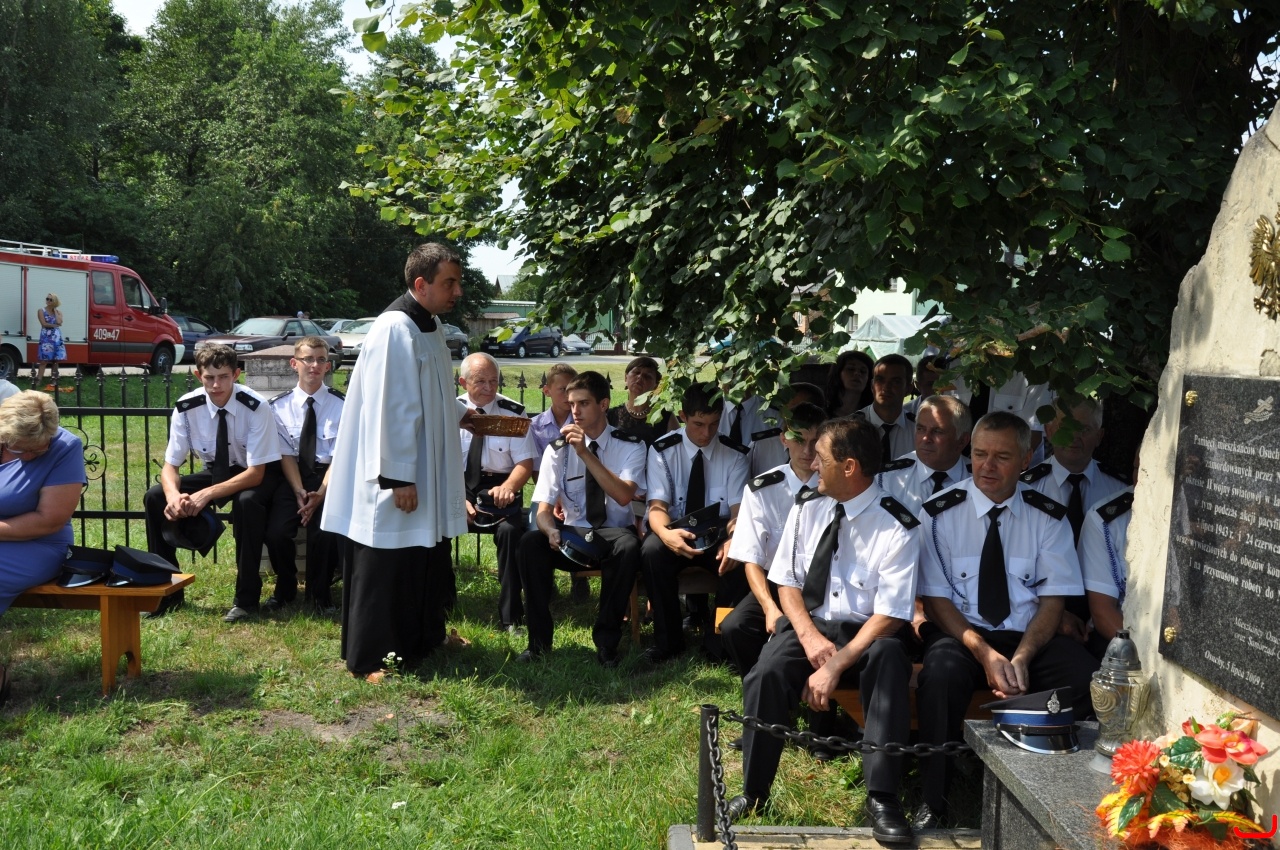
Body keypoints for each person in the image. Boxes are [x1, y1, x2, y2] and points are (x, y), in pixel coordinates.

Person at [728, 418, 920, 844]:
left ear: (849, 467)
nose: (812, 463)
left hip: (867, 634)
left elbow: (890, 616)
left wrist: (834, 665)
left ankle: (883, 798)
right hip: (811, 626)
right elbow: (787, 583)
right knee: (766, 672)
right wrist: (811, 639)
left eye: (822, 457)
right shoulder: (808, 506)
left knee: (889, 659)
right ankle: (754, 792)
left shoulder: (897, 525)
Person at [914, 411, 1099, 829]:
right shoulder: (938, 514)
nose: (987, 466)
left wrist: (1021, 658)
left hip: (1030, 636)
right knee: (940, 676)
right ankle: (934, 801)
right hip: (964, 635)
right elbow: (937, 601)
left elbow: (1052, 602)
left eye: (1001, 457)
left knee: (1086, 678)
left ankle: (1067, 796)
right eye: (980, 454)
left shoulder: (1048, 517)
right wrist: (984, 654)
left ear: (1026, 459)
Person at [321, 242, 471, 681]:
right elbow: (391, 407)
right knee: (384, 562)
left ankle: (423, 638)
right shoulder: (394, 329)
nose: (457, 292)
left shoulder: (430, 324)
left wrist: (462, 415)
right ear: (421, 284)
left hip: (422, 467)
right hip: (395, 473)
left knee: (422, 557)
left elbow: (431, 390)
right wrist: (398, 477)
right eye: (450, 283)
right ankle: (369, 658)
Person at [517, 370, 646, 666]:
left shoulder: (630, 446)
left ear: (603, 404)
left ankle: (607, 642)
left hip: (613, 534)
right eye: (572, 403)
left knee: (628, 547)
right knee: (529, 543)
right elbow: (543, 508)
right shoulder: (557, 450)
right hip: (573, 535)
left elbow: (623, 495)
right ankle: (538, 643)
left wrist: (586, 453)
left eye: (583, 403)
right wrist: (549, 530)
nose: (575, 411)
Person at [143, 344, 282, 620]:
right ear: (198, 375)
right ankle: (167, 592)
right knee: (155, 497)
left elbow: (256, 473)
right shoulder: (186, 407)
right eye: (209, 378)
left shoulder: (255, 406)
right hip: (218, 470)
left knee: (247, 503)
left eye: (224, 377)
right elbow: (171, 466)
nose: (216, 385)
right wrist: (173, 497)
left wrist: (205, 495)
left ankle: (246, 600)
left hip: (255, 472)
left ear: (236, 375)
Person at [641, 382, 750, 663]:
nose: (706, 433)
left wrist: (734, 540)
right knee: (652, 551)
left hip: (718, 532)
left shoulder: (735, 453)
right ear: (683, 416)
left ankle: (719, 642)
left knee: (740, 558)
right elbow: (657, 507)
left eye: (714, 424)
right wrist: (666, 535)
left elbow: (738, 511)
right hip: (676, 528)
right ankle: (667, 642)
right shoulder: (663, 450)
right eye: (698, 424)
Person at [720, 401, 825, 678]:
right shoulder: (762, 489)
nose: (807, 450)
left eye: (815, 442)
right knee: (735, 627)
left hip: (822, 585)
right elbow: (751, 559)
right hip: (776, 581)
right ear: (783, 439)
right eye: (799, 439)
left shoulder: (835, 487)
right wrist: (769, 607)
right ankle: (763, 681)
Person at [1019, 398, 1129, 647]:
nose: (1074, 437)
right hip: (1040, 618)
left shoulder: (1120, 489)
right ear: (1048, 431)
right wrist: (1053, 614)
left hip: (1108, 618)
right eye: (1064, 427)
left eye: (1085, 429)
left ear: (1100, 436)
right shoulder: (1024, 490)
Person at [0, 391, 87, 702]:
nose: (30, 456)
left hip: (39, 544)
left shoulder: (65, 447)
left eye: (38, 449)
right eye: (21, 449)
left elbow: (48, 520)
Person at [265, 336, 345, 613]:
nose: (314, 365)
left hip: (328, 478)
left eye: (321, 360)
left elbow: (340, 456)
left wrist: (320, 494)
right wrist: (299, 491)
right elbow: (285, 454)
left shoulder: (342, 405)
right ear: (294, 363)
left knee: (325, 533)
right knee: (277, 533)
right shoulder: (277, 407)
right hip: (293, 478)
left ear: (327, 366)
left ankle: (321, 594)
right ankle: (285, 589)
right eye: (308, 359)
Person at [458, 352, 535, 631]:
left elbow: (525, 463)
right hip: (460, 486)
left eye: (494, 380)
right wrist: (457, 498)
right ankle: (440, 607)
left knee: (510, 533)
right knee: (434, 531)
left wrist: (508, 488)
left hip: (501, 488)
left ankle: (511, 617)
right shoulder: (450, 412)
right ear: (463, 382)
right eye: (481, 381)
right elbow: (439, 462)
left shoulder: (512, 412)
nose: (489, 388)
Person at [528, 363, 589, 602]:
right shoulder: (536, 427)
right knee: (536, 529)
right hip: (547, 494)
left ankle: (580, 575)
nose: (567, 395)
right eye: (562, 389)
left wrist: (567, 498)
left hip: (578, 491)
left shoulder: (584, 423)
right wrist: (554, 500)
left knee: (579, 522)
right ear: (547, 391)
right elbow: (536, 471)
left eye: (572, 389)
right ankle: (546, 581)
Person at [876, 395, 972, 516]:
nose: (926, 438)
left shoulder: (979, 482)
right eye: (920, 429)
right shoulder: (887, 479)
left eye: (937, 431)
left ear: (962, 441)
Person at [606, 356, 676, 447]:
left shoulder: (665, 417)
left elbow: (677, 449)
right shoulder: (611, 415)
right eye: (636, 372)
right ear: (626, 377)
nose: (640, 377)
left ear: (656, 385)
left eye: (647, 376)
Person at [857, 354, 915, 461]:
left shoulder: (918, 430)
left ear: (908, 388)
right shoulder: (851, 427)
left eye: (896, 381)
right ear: (872, 385)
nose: (886, 387)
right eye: (880, 380)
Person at [824, 349, 873, 418]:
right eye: (851, 369)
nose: (857, 373)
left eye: (863, 371)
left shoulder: (872, 415)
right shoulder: (822, 410)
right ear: (838, 373)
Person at [34, 294, 66, 391]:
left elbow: (60, 322)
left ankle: (54, 380)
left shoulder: (58, 312)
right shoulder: (41, 311)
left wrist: (55, 312)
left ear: (55, 302)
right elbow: (43, 324)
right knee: (44, 360)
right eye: (47, 299)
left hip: (56, 338)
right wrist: (54, 325)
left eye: (50, 299)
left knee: (55, 360)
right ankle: (38, 380)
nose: (48, 300)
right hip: (46, 338)